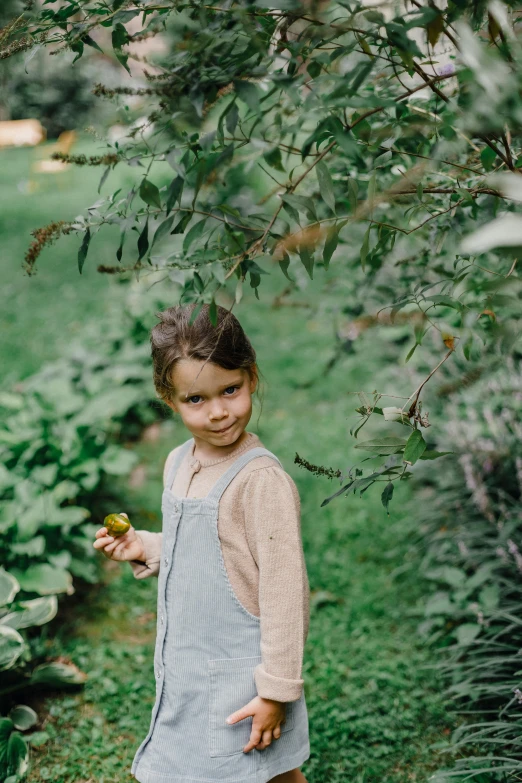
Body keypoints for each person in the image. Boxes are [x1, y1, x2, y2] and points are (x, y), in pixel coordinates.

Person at [93, 303, 310, 783]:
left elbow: (284, 591)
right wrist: (147, 546)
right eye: (196, 399)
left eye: (230, 390)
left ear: (251, 377)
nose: (217, 412)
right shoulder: (177, 462)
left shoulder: (261, 483)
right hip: (191, 665)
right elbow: (204, 550)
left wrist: (275, 690)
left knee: (266, 772)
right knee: (266, 773)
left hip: (242, 676)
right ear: (168, 397)